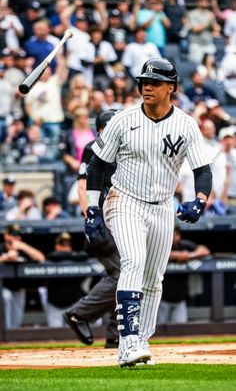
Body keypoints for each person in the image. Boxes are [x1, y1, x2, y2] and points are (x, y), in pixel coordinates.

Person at [84, 58, 212, 367]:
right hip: (124, 199)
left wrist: (200, 200)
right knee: (134, 261)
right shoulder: (123, 119)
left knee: (154, 279)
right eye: (143, 82)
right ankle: (127, 341)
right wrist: (91, 208)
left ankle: (141, 342)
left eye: (154, 82)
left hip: (162, 206)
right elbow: (97, 165)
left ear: (171, 87)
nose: (147, 86)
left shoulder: (185, 124)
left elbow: (203, 169)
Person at [63, 110, 120, 349]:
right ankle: (79, 314)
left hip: (119, 217)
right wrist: (90, 217)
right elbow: (82, 185)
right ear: (100, 129)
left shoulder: (123, 148)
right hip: (101, 220)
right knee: (122, 272)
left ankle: (116, 334)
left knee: (128, 271)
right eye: (112, 125)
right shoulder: (94, 147)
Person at [157, 225, 210, 324]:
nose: (171, 238)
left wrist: (189, 255)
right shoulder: (160, 245)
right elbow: (153, 252)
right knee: (158, 331)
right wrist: (176, 255)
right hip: (161, 300)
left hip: (180, 300)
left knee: (180, 331)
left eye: (174, 235)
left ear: (178, 236)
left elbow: (204, 250)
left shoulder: (184, 245)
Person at [0, 224, 45, 329]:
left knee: (18, 315)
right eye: (13, 235)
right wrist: (5, 258)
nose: (16, 238)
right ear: (6, 236)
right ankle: (5, 333)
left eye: (18, 235)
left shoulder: (23, 248)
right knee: (6, 298)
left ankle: (13, 335)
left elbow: (41, 258)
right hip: (3, 287)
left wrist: (24, 247)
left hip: (19, 287)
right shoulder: (1, 247)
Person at [45, 232, 87, 328]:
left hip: (73, 303)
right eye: (62, 245)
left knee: (74, 334)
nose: (65, 248)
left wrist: (70, 255)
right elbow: (52, 255)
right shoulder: (52, 258)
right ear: (57, 246)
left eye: (67, 245)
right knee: (55, 333)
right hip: (54, 304)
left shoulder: (77, 258)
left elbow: (85, 255)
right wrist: (70, 255)